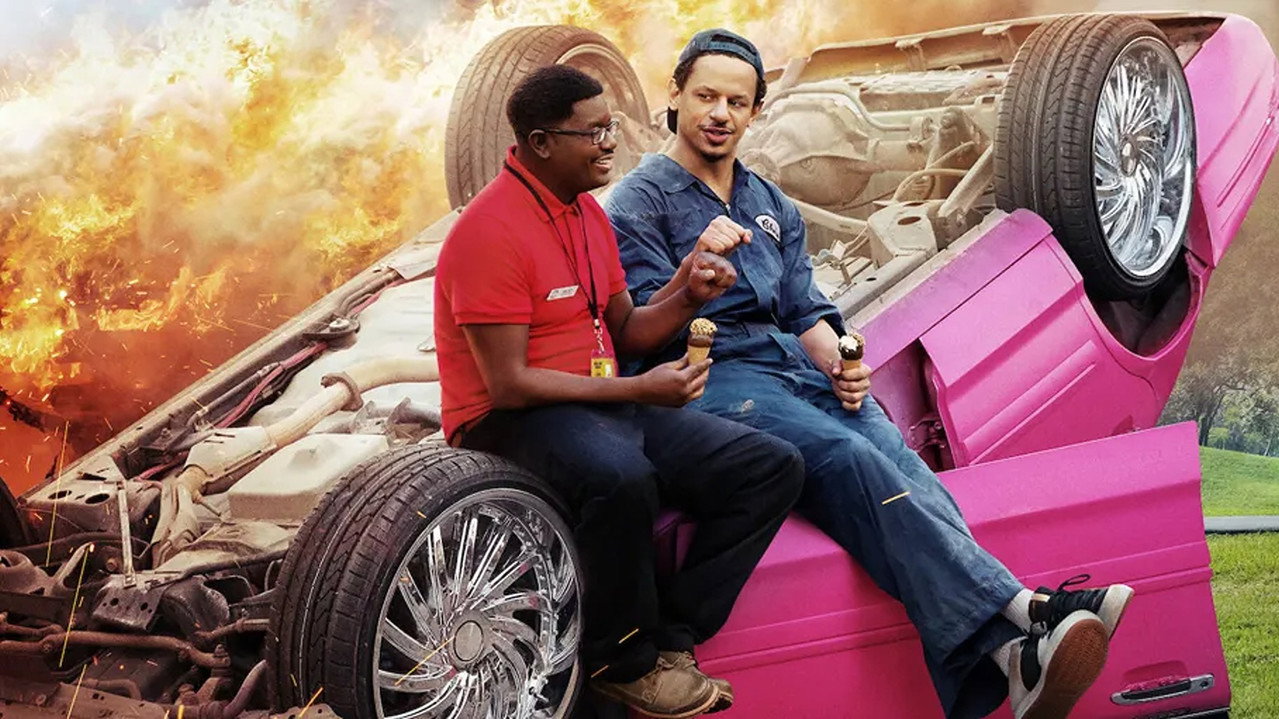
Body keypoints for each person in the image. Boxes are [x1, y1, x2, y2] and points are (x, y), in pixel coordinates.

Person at [605, 29, 1135, 719]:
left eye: (736, 102)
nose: (719, 114)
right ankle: (1025, 610)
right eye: (705, 97)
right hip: (713, 375)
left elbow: (803, 309)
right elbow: (638, 326)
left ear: (755, 112)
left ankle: (1012, 653)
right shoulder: (636, 201)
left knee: (896, 454)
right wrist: (693, 273)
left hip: (789, 367)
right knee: (846, 456)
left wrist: (840, 364)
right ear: (674, 97)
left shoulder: (769, 202)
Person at [434, 64, 804, 718]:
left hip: (594, 401)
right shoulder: (487, 233)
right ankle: (620, 661)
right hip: (510, 418)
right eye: (594, 132)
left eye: (610, 128)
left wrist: (689, 292)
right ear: (541, 142)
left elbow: (627, 328)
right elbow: (508, 384)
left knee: (769, 467)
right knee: (622, 478)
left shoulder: (586, 214)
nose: (610, 143)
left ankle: (672, 639)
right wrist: (640, 388)